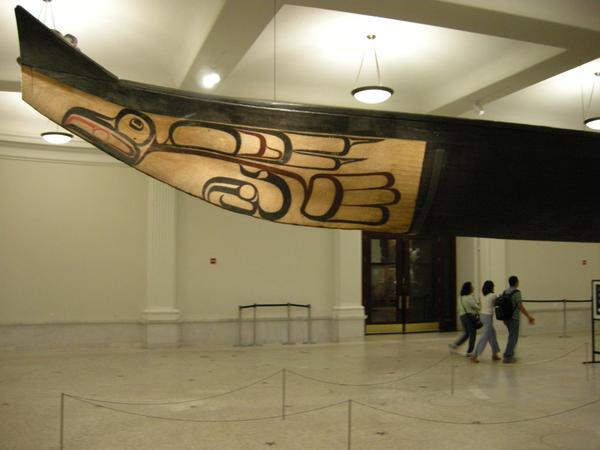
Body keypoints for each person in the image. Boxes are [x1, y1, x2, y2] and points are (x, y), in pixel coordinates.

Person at [502, 275, 535, 363]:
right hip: (514, 318)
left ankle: (510, 354)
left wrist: (503, 319)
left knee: (511, 336)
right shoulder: (517, 292)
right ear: (516, 282)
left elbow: (502, 306)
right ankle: (507, 356)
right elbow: (520, 306)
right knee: (513, 337)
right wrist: (528, 317)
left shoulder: (505, 292)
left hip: (506, 318)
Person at [471, 280, 501, 363]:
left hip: (482, 316)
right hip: (488, 317)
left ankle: (495, 353)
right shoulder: (492, 295)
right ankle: (475, 355)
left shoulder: (481, 295)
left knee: (492, 334)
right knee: (485, 336)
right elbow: (498, 298)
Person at [449, 281, 480, 356]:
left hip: (462, 316)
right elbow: (476, 307)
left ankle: (455, 344)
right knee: (472, 333)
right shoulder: (469, 297)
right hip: (469, 316)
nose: (473, 288)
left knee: (466, 333)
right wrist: (479, 305)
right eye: (472, 286)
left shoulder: (460, 297)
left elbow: (459, 308)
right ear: (469, 288)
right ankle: (470, 351)